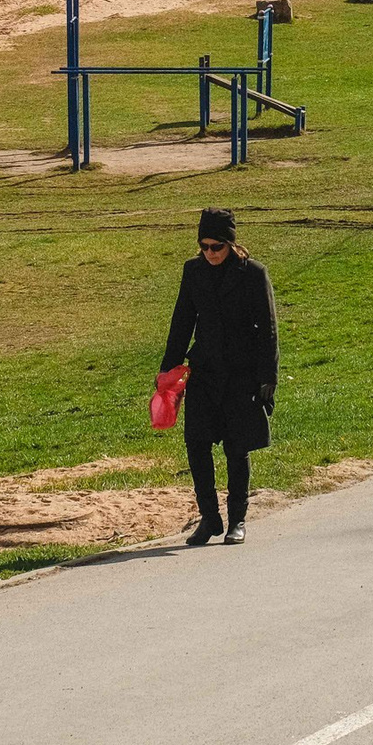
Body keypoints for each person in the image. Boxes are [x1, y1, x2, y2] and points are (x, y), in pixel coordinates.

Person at [160, 208, 278, 545]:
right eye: (204, 246)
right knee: (196, 444)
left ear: (230, 244)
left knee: (236, 449)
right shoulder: (193, 271)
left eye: (217, 246)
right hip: (205, 373)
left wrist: (268, 376)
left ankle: (237, 520)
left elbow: (268, 330)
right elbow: (182, 321)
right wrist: (168, 368)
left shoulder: (253, 274)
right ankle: (210, 518)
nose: (210, 253)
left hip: (241, 376)